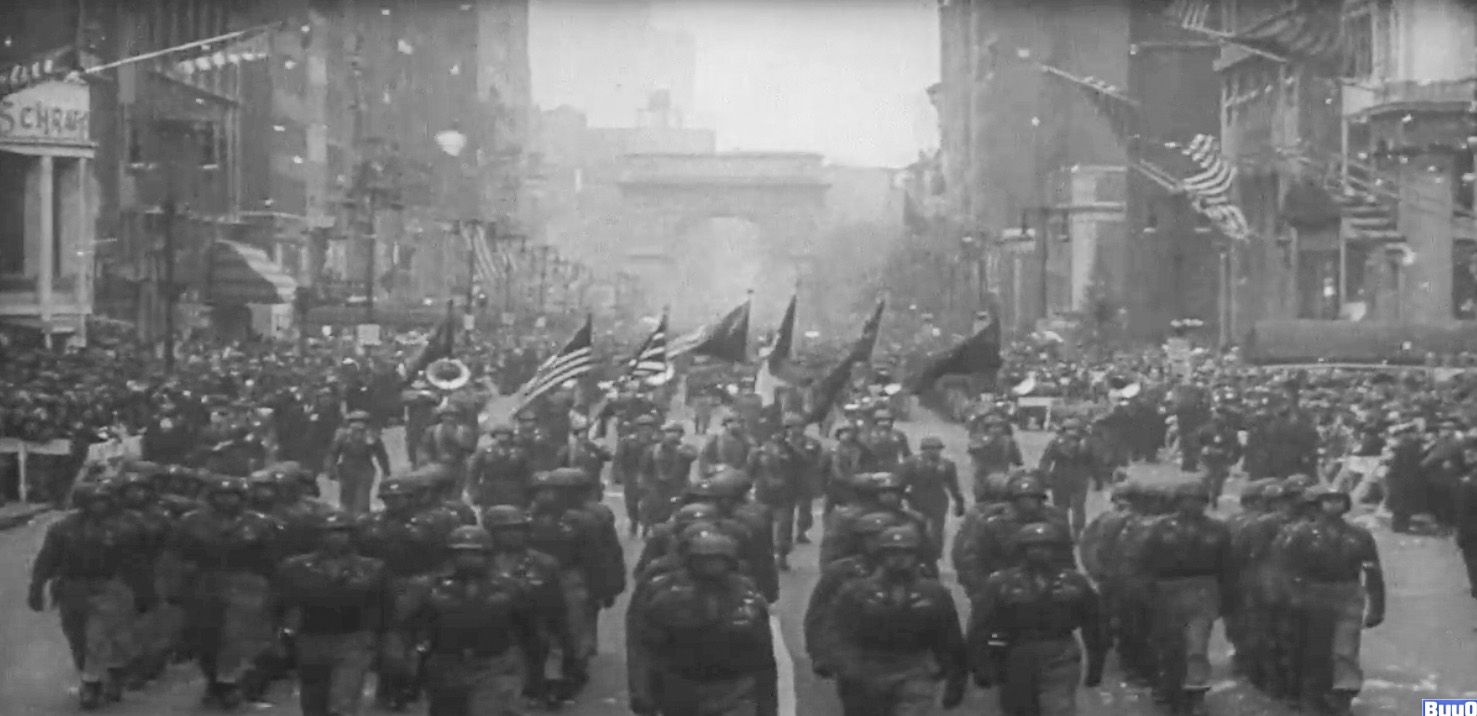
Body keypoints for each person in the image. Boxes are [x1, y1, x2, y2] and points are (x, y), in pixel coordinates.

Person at [29, 480, 153, 709]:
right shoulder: (63, 528)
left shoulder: (127, 527)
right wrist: (36, 587)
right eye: (93, 501)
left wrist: (145, 591)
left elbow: (140, 562)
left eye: (103, 500)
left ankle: (92, 685)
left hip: (110, 586)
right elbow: (47, 559)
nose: (99, 506)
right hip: (72, 589)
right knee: (77, 637)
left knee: (98, 637)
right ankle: (105, 674)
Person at [628, 529, 776, 716]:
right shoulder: (666, 596)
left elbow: (763, 656)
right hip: (683, 689)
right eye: (704, 560)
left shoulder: (747, 595)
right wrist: (644, 695)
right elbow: (647, 650)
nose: (711, 565)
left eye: (716, 560)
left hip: (736, 688)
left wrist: (767, 705)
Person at [967, 522, 1107, 716]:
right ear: (1022, 550)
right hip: (1014, 654)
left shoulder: (1074, 582)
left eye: (1045, 547)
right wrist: (980, 665)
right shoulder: (1001, 583)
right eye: (1033, 547)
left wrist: (1096, 665)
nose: (1039, 552)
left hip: (1060, 653)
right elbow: (980, 627)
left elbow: (1095, 625)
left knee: (1058, 708)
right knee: (1018, 709)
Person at [823, 527, 967, 713]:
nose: (899, 558)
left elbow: (951, 640)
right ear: (881, 555)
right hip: (866, 671)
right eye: (892, 552)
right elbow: (836, 634)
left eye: (906, 552)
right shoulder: (856, 592)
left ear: (916, 555)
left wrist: (956, 681)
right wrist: (846, 668)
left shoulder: (934, 594)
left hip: (915, 669)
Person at [171, 476, 284, 708]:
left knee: (237, 636)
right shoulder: (191, 521)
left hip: (246, 583)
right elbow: (177, 556)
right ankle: (214, 681)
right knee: (206, 637)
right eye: (221, 496)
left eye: (231, 496)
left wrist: (273, 590)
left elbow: (272, 560)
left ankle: (228, 682)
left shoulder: (261, 523)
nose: (226, 501)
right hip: (204, 582)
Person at [408, 526, 540, 716]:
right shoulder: (430, 587)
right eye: (461, 553)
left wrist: (534, 677)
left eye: (475, 553)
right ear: (451, 555)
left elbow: (530, 633)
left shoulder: (511, 588)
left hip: (495, 665)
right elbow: (409, 627)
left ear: (487, 555)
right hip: (446, 666)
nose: (468, 559)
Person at [1276, 486, 1385, 716]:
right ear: (1317, 504)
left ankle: (1343, 695)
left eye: (1338, 500)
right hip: (1312, 594)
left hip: (1348, 593)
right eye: (1328, 500)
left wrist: (1377, 606)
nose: (1334, 505)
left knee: (1346, 649)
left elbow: (1373, 572)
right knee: (1315, 650)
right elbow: (1285, 571)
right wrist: (1292, 597)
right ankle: (1312, 697)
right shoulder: (1300, 534)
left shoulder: (1360, 535)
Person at [275, 512, 389, 716]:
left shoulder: (373, 568)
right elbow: (282, 603)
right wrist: (284, 634)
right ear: (318, 536)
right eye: (329, 533)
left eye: (341, 532)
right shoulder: (295, 567)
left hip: (353, 639)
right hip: (310, 637)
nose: (335, 538)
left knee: (343, 702)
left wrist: (377, 639)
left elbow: (382, 606)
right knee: (313, 703)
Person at [1138, 481, 1233, 715]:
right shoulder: (1159, 528)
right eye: (1187, 500)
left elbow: (1228, 567)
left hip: (1203, 589)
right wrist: (1148, 594)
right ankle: (1169, 689)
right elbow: (1145, 564)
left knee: (1196, 647)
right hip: (1167, 591)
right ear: (1177, 502)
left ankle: (1196, 693)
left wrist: (1226, 599)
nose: (1192, 505)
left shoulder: (1218, 529)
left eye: (1198, 500)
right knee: (1169, 646)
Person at [751, 413, 821, 570]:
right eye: (788, 428)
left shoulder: (804, 445)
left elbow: (806, 461)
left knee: (784, 526)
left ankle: (781, 554)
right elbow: (751, 468)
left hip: (787, 493)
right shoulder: (763, 447)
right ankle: (763, 556)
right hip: (764, 493)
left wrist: (790, 446)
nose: (793, 431)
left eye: (796, 427)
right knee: (761, 527)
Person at [898, 436, 967, 555]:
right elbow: (901, 484)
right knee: (916, 526)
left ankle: (935, 553)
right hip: (916, 498)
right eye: (930, 449)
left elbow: (953, 486)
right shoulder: (911, 463)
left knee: (937, 530)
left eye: (937, 449)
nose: (933, 451)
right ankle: (916, 550)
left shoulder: (947, 465)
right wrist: (900, 499)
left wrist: (959, 503)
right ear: (923, 450)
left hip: (938, 500)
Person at [325, 411, 391, 515]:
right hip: (349, 469)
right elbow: (333, 453)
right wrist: (330, 468)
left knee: (361, 500)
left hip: (362, 469)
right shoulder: (344, 436)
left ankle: (359, 521)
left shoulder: (371, 436)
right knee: (347, 500)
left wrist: (386, 472)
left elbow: (381, 455)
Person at [639, 421, 698, 534]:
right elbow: (645, 469)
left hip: (678, 487)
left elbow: (693, 455)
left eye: (677, 432)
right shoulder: (653, 450)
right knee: (652, 511)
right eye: (669, 432)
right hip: (657, 487)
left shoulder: (685, 450)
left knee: (678, 512)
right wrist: (645, 485)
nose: (673, 435)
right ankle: (648, 530)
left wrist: (679, 450)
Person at [613, 414, 660, 536]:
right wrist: (618, 475)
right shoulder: (627, 442)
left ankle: (646, 527)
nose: (646, 430)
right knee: (631, 504)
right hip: (631, 477)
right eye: (642, 427)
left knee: (649, 505)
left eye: (649, 427)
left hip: (650, 478)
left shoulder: (657, 443)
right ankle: (634, 523)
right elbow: (618, 458)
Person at [467, 424, 533, 509]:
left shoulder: (520, 453)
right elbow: (473, 474)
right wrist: (474, 493)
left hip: (514, 493)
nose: (502, 437)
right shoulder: (484, 452)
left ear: (510, 435)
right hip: (490, 494)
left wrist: (528, 494)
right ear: (494, 435)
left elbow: (527, 474)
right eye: (499, 434)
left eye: (505, 434)